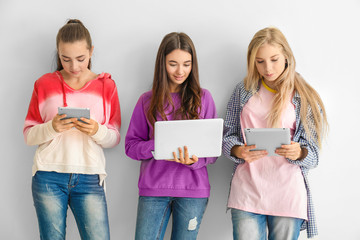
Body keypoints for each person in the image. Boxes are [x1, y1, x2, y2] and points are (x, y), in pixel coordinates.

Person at [222, 27, 328, 240]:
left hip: (288, 193)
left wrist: (299, 152)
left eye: (274, 59)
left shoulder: (302, 96)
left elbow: (314, 155)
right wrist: (238, 150)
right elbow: (227, 136)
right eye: (259, 61)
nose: (267, 68)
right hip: (247, 191)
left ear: (287, 57)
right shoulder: (243, 91)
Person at [23, 19, 121, 240]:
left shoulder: (106, 86)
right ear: (58, 54)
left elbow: (114, 137)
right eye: (65, 59)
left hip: (89, 177)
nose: (74, 67)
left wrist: (96, 130)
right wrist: (52, 127)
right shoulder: (43, 83)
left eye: (81, 59)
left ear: (91, 51)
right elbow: (29, 134)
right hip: (48, 175)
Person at [125, 32, 218, 240]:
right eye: (173, 64)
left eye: (187, 64)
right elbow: (130, 146)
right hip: (154, 190)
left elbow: (213, 152)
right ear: (162, 63)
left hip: (193, 190)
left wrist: (195, 161)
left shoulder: (204, 98)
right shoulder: (146, 100)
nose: (180, 71)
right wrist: (157, 147)